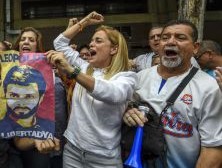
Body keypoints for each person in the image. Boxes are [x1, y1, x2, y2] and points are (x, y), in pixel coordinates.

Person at [123, 20, 222, 168]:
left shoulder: (209, 87)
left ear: (195, 48)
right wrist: (127, 112)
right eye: (165, 38)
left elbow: (213, 147)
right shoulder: (139, 77)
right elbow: (119, 111)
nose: (170, 42)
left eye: (180, 38)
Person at [50, 11, 137, 168]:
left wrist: (72, 72)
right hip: (73, 150)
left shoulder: (126, 77)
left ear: (114, 50)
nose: (91, 44)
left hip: (104, 158)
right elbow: (60, 43)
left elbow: (112, 93)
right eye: (91, 41)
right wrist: (85, 22)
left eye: (98, 41)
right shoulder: (84, 67)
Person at [12, 27, 66, 168]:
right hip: (24, 140)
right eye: (23, 39)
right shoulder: (10, 70)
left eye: (31, 40)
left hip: (51, 139)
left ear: (38, 46)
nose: (26, 42)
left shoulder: (50, 69)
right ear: (18, 44)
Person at [133, 25, 199, 72]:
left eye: (159, 36)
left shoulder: (187, 58)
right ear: (149, 42)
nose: (156, 39)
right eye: (152, 37)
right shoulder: (140, 59)